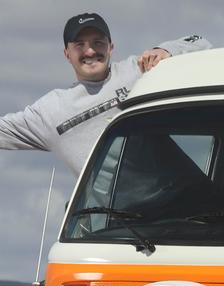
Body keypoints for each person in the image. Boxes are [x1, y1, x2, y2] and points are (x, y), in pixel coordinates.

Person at [0, 12, 211, 176]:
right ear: (67, 54)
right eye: (80, 45)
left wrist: (166, 51)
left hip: (185, 205)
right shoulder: (51, 111)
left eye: (97, 42)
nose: (90, 51)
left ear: (111, 47)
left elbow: (202, 43)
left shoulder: (139, 70)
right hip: (117, 223)